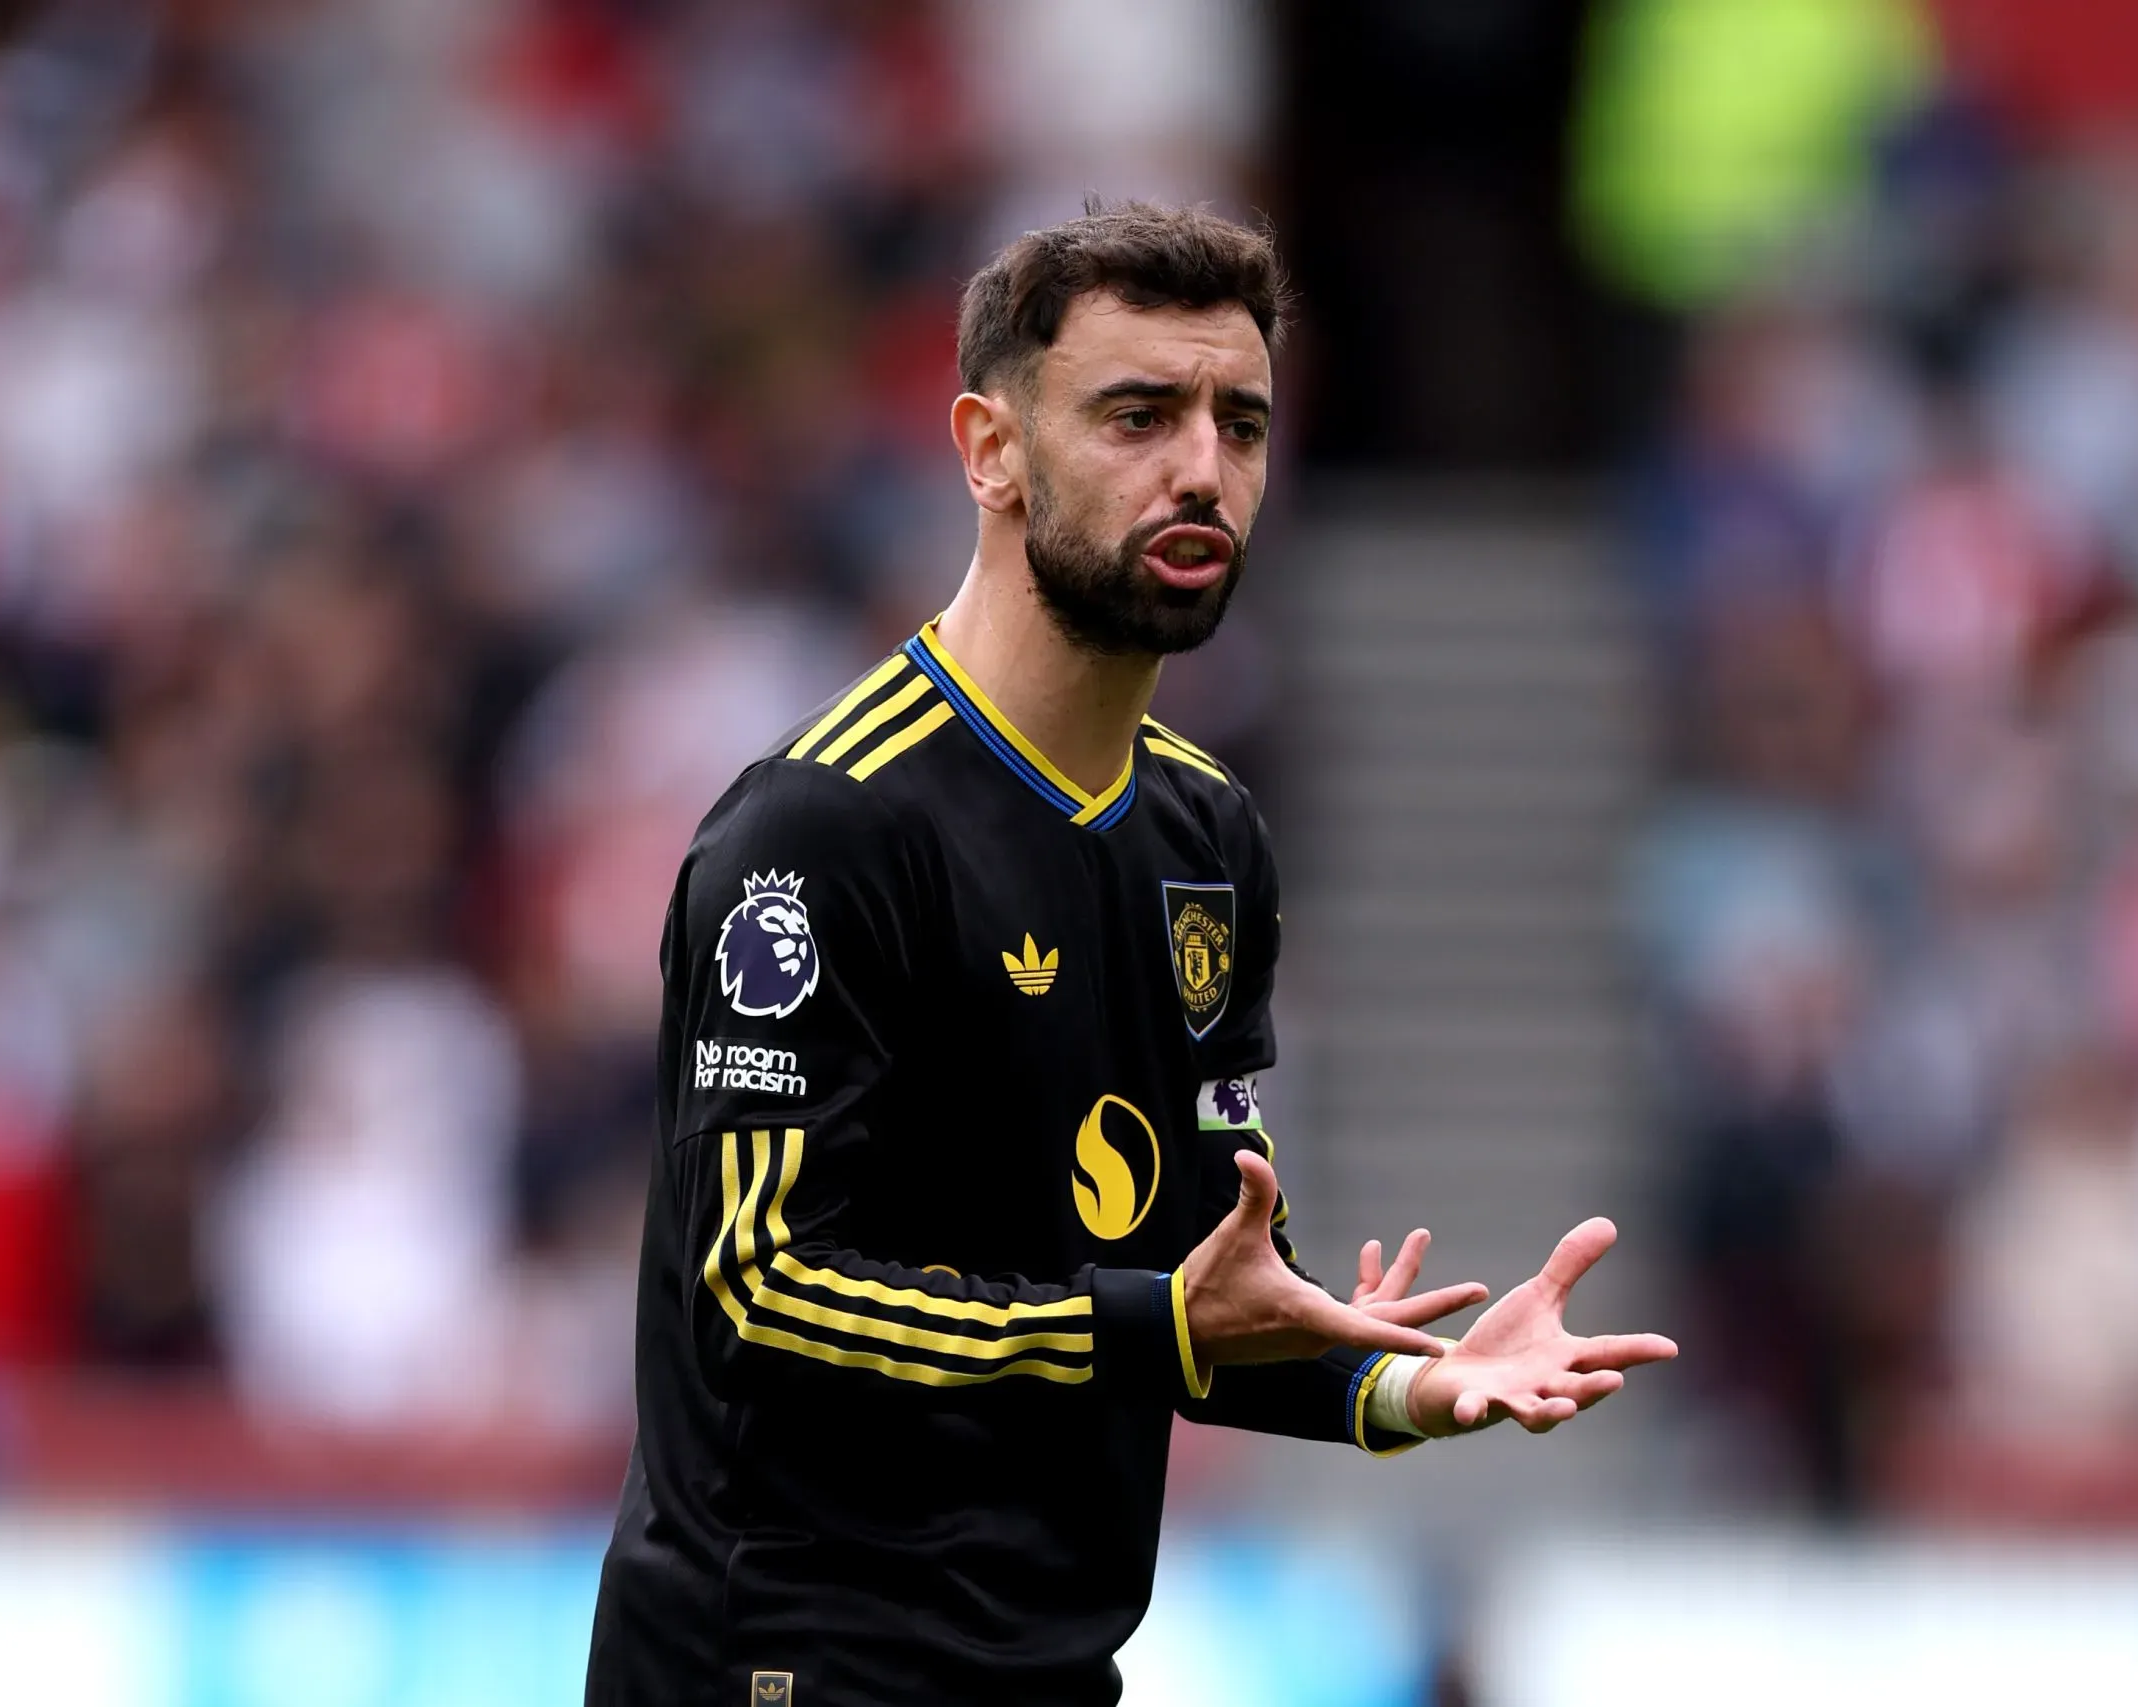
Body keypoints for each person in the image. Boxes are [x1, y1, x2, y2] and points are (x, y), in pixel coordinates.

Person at [585, 202, 1676, 1706]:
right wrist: (1149, 1320)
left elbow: (1199, 1277)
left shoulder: (1206, 842)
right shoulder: (823, 831)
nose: (1200, 469)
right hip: (788, 1667)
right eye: (1137, 415)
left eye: (1240, 423)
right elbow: (761, 1287)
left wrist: (1402, 1385)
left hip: (1049, 1669)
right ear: (989, 449)